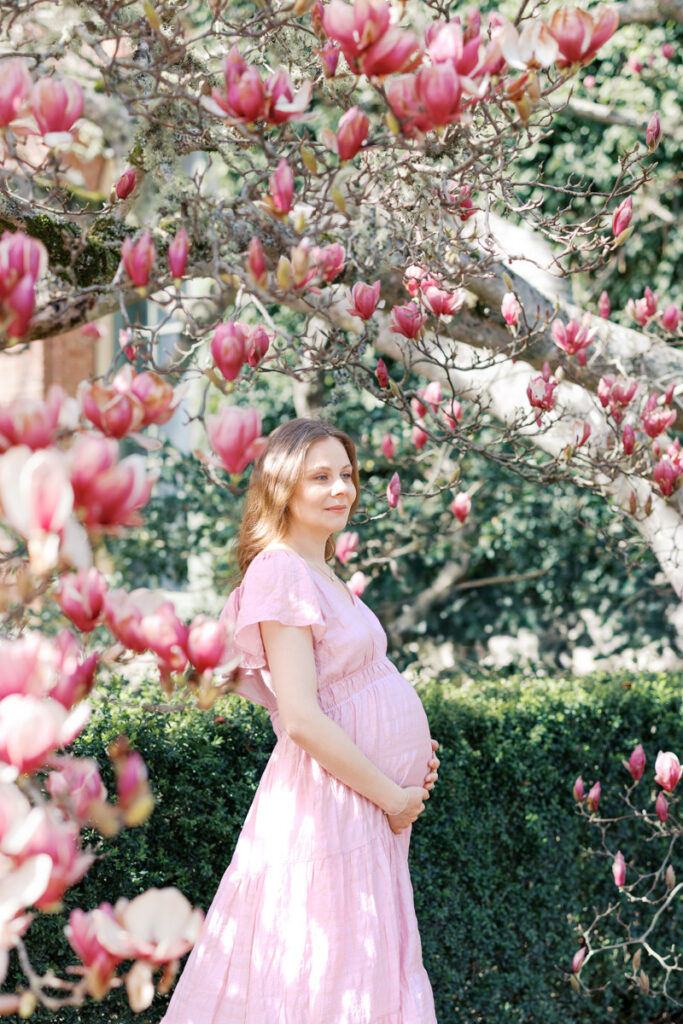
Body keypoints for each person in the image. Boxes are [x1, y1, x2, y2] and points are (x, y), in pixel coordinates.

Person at [160, 417, 441, 1024]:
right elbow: (304, 718)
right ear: (283, 487)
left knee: (357, 972)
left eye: (346, 475)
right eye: (321, 477)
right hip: (333, 808)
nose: (341, 488)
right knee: (330, 974)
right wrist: (393, 791)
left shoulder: (321, 572)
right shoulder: (282, 571)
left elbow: (348, 693)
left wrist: (406, 748)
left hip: (362, 810)